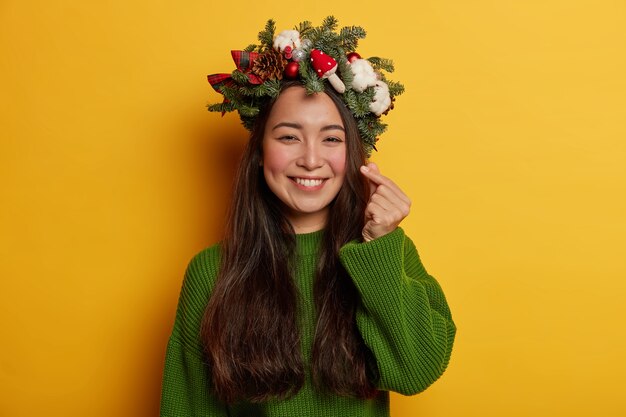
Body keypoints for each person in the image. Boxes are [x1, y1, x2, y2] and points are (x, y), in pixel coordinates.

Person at [160, 17, 455, 417]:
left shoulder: (385, 255)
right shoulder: (211, 272)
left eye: (331, 138)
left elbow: (415, 372)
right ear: (260, 151)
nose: (312, 159)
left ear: (353, 154)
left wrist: (380, 244)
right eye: (288, 136)